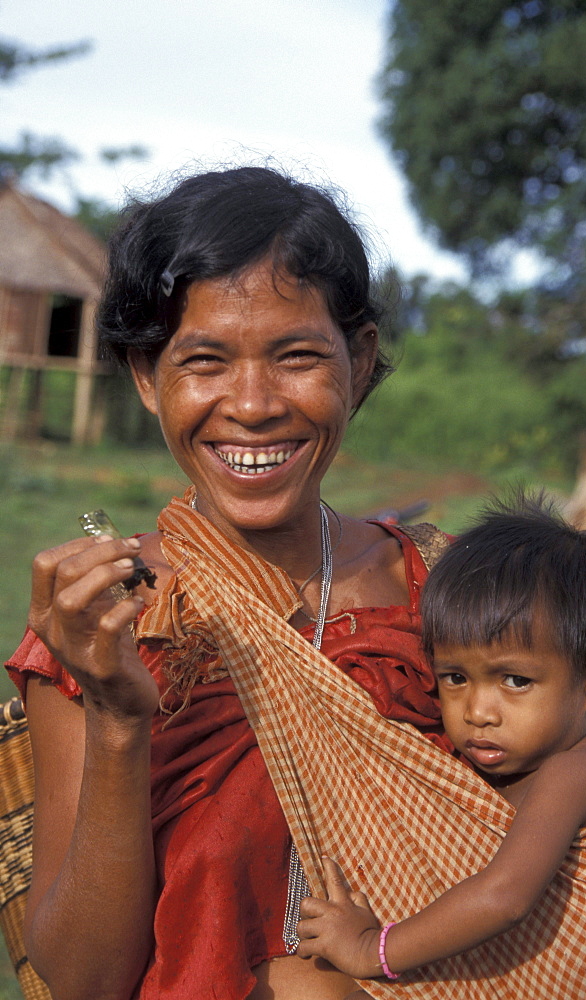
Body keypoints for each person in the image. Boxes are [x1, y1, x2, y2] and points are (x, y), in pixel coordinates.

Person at [5, 165, 454, 1000]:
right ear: (146, 376)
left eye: (296, 357)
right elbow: (84, 980)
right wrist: (114, 718)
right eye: (203, 360)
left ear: (357, 361)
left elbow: (562, 848)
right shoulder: (102, 624)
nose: (250, 405)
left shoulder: (449, 596)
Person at [295, 494, 586, 993]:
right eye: (455, 677)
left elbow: (504, 898)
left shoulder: (575, 773)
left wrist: (370, 949)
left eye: (516, 682)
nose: (477, 712)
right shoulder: (508, 760)